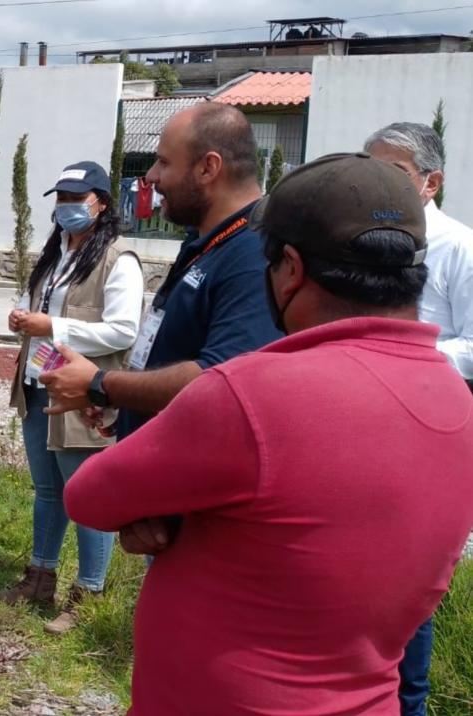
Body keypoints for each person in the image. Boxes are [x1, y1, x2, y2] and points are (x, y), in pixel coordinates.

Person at [64, 153, 473, 714]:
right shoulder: (457, 403)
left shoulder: (252, 393)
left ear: (290, 271)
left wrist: (177, 512)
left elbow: (89, 494)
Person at [39, 103, 280, 441]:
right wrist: (123, 402)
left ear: (208, 168)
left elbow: (221, 377)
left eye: (164, 162)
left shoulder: (254, 255)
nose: (151, 176)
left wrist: (102, 384)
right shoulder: (203, 241)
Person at [0, 161, 144, 634]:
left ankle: (90, 592)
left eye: (76, 199)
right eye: (60, 199)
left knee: (86, 495)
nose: (66, 208)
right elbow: (38, 303)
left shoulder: (119, 259)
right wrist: (24, 316)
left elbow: (124, 330)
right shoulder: (55, 253)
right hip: (39, 384)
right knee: (47, 490)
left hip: (84, 392)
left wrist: (52, 326)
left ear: (101, 203)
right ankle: (40, 577)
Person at [365, 122, 473, 716]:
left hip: (428, 430)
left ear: (431, 182)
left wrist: (405, 353)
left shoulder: (459, 247)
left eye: (395, 172)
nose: (378, 183)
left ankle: (410, 703)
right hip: (364, 426)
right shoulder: (367, 240)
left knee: (409, 585)